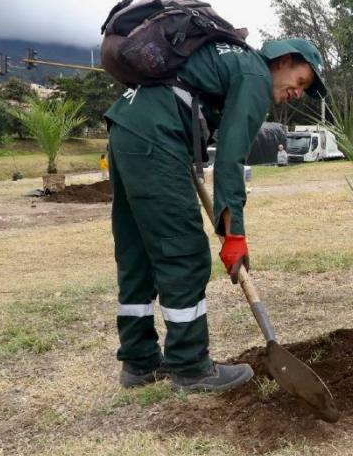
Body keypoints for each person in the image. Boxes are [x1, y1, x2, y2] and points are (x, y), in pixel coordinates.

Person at [104, 38, 327, 392]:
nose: (298, 93)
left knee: (139, 253)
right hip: (157, 138)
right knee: (185, 251)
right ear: (283, 60)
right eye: (300, 82)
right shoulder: (254, 75)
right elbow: (231, 159)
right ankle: (190, 367)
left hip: (126, 130)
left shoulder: (230, 61)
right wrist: (234, 235)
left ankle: (139, 362)